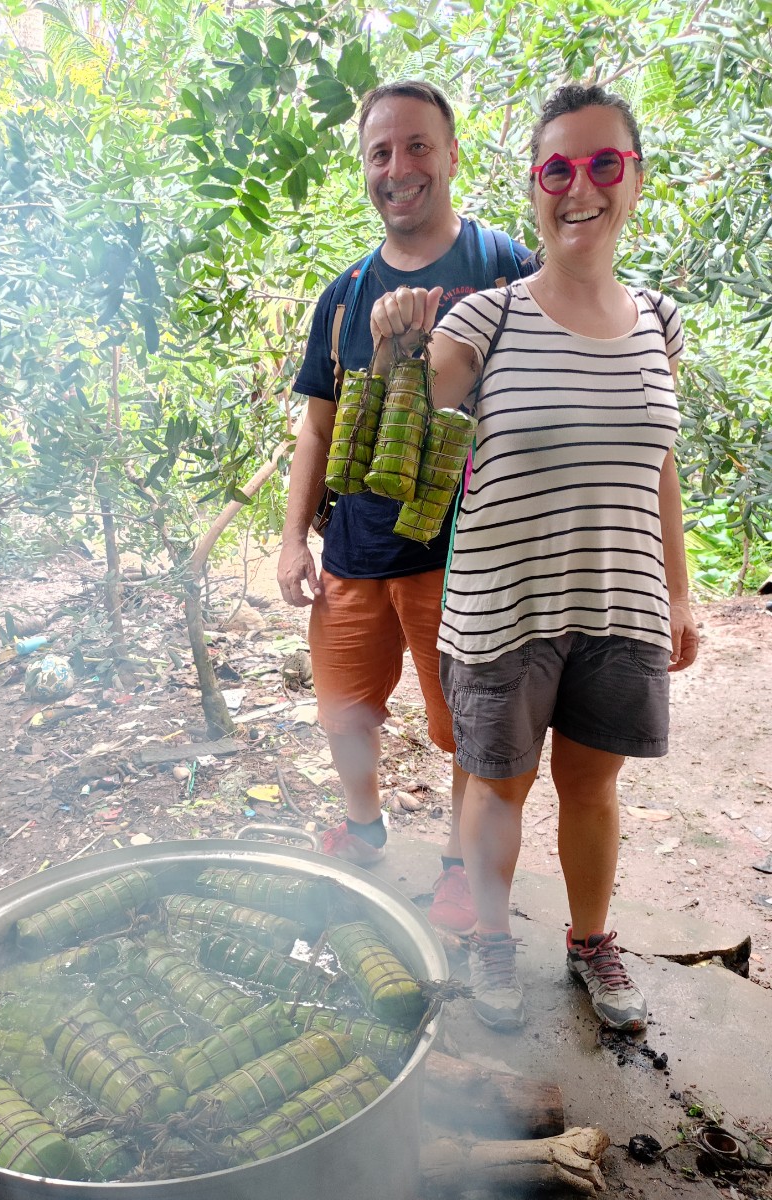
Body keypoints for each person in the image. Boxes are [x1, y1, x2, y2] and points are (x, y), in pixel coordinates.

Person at [369, 82, 698, 1032]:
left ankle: (591, 944)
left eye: (605, 163)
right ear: (534, 186)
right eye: (559, 167)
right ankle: (490, 940)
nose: (580, 186)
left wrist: (679, 591)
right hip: (503, 607)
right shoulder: (485, 320)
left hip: (619, 601)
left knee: (593, 790)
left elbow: (660, 465)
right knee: (500, 787)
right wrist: (396, 344)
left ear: (634, 179)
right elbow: (412, 431)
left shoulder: (659, 322)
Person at [277, 80, 536, 937]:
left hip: (463, 553)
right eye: (381, 152)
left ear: (452, 155)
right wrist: (290, 542)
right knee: (345, 712)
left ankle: (461, 869)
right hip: (354, 547)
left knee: (464, 729)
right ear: (366, 169)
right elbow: (316, 429)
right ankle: (363, 826)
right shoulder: (346, 294)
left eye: (418, 146)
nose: (400, 168)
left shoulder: (506, 269)